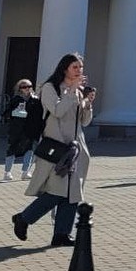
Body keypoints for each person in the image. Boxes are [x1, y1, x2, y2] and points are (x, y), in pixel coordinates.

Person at [12, 53, 94, 247]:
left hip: (76, 149)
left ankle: (62, 234)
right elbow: (57, 111)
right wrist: (71, 92)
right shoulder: (50, 88)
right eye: (75, 67)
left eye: (81, 68)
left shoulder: (78, 90)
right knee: (57, 191)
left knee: (73, 192)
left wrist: (88, 103)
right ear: (64, 68)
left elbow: (84, 121)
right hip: (56, 147)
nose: (79, 71)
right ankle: (24, 218)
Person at [1, 79, 38, 181]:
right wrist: (15, 111)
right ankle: (7, 172)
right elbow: (6, 113)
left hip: (29, 129)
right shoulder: (16, 99)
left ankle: (25, 172)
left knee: (29, 150)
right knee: (12, 149)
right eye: (24, 87)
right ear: (19, 89)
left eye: (29, 86)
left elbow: (38, 114)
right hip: (16, 129)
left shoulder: (34, 100)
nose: (27, 89)